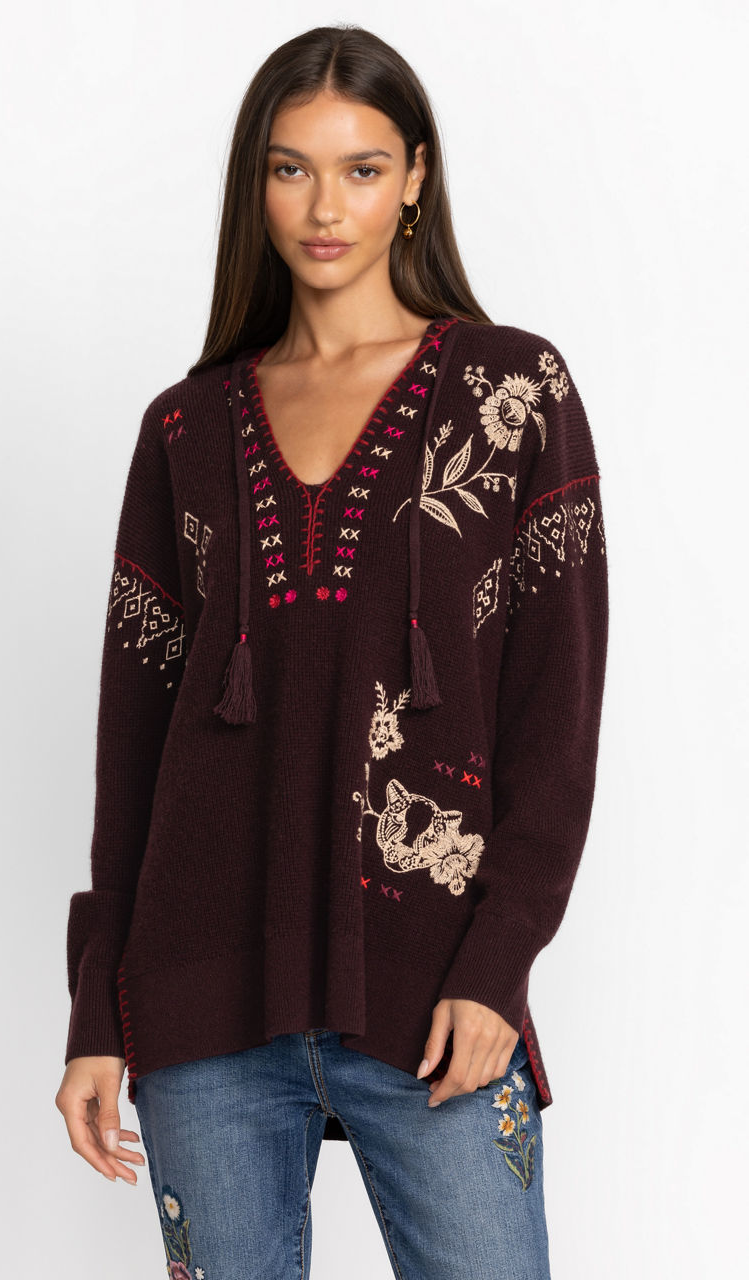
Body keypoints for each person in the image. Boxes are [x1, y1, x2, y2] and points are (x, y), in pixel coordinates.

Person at [55, 23, 609, 1280]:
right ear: (253, 185)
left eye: (360, 169)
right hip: (199, 1007)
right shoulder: (185, 427)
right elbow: (132, 748)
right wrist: (98, 1008)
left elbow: (555, 716)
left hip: (434, 995)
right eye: (290, 168)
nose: (323, 207)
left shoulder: (512, 392)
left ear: (414, 177)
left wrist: (497, 963)